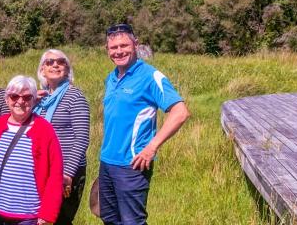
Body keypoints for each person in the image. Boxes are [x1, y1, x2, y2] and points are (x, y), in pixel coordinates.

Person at [99, 24, 190, 225]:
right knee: (109, 219)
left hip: (132, 164)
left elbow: (180, 112)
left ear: (135, 44)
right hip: (107, 162)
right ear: (108, 50)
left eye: (124, 45)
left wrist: (151, 148)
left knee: (132, 221)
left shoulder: (150, 76)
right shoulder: (111, 78)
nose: (119, 51)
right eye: (113, 48)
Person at [0, 76, 64, 225]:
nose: (20, 101)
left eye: (26, 97)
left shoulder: (44, 130)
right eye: (14, 96)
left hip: (28, 216)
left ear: (33, 100)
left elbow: (55, 174)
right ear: (7, 99)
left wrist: (48, 212)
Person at [34, 49, 90, 225]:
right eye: (49, 62)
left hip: (65, 171)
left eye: (61, 62)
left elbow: (82, 139)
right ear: (42, 69)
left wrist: (67, 173)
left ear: (67, 69)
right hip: (43, 169)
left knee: (60, 219)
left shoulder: (74, 96)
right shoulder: (40, 99)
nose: (55, 65)